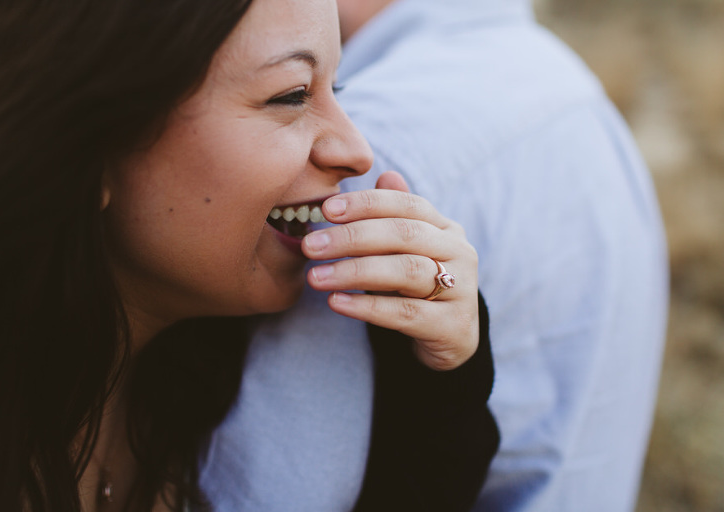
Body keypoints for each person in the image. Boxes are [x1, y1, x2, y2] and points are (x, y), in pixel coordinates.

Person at [0, 0, 498, 510]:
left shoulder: (212, 378)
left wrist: (440, 382)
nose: (357, 151)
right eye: (291, 95)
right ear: (91, 142)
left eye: (338, 88)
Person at [202, 0, 669, 511]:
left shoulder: (381, 150)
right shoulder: (573, 93)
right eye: (296, 95)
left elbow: (267, 490)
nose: (349, 146)